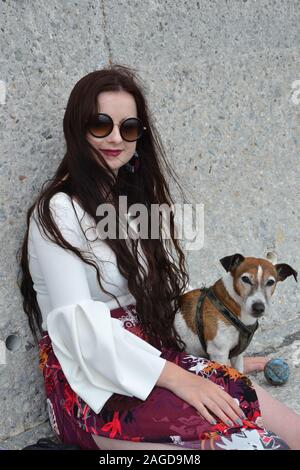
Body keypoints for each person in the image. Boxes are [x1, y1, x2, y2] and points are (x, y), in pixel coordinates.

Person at [17, 64, 300, 450]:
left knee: (291, 432)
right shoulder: (58, 211)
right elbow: (79, 332)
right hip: (92, 382)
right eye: (101, 124)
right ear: (77, 128)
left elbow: (166, 299)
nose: (115, 137)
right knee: (251, 445)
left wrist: (213, 355)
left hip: (156, 356)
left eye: (128, 128)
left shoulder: (133, 208)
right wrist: (182, 379)